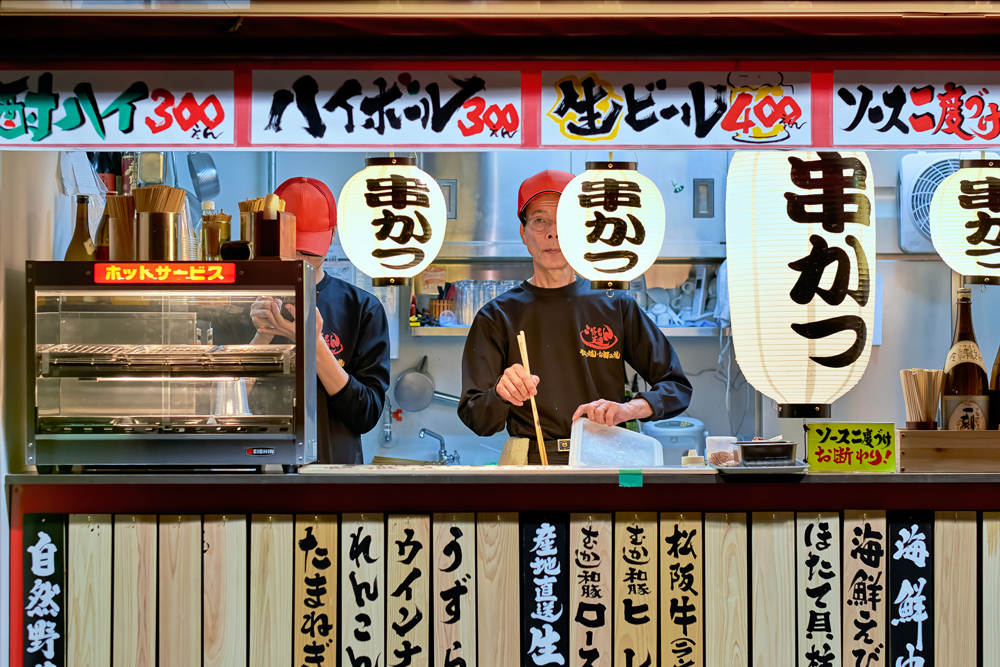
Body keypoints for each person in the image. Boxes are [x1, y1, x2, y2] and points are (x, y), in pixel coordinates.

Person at [458, 169, 693, 463]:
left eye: (563, 220)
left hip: (606, 457)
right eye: (539, 220)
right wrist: (501, 394)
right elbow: (476, 418)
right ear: (523, 232)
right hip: (529, 464)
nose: (551, 232)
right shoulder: (497, 315)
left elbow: (677, 387)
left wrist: (628, 409)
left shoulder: (615, 303)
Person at [250, 177, 390, 464]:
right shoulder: (243, 303)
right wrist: (261, 338)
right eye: (291, 250)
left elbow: (367, 415)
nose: (300, 260)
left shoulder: (362, 308)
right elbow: (219, 406)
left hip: (334, 474)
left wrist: (313, 346)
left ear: (332, 237)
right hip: (257, 469)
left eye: (309, 251)